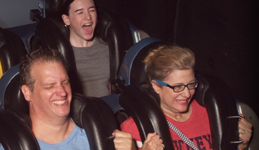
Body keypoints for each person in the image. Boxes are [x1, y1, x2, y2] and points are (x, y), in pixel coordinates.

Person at [120, 45, 253, 150]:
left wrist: (240, 145)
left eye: (191, 84)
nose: (187, 94)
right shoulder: (135, 127)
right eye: (177, 87)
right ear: (156, 86)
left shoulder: (211, 112)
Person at [0, 48, 135, 150]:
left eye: (65, 82)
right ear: (27, 92)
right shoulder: (11, 145)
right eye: (49, 86)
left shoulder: (98, 131)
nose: (62, 92)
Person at [59, 0, 110, 98]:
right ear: (66, 19)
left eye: (91, 10)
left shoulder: (108, 47)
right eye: (80, 12)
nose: (88, 17)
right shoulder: (60, 54)